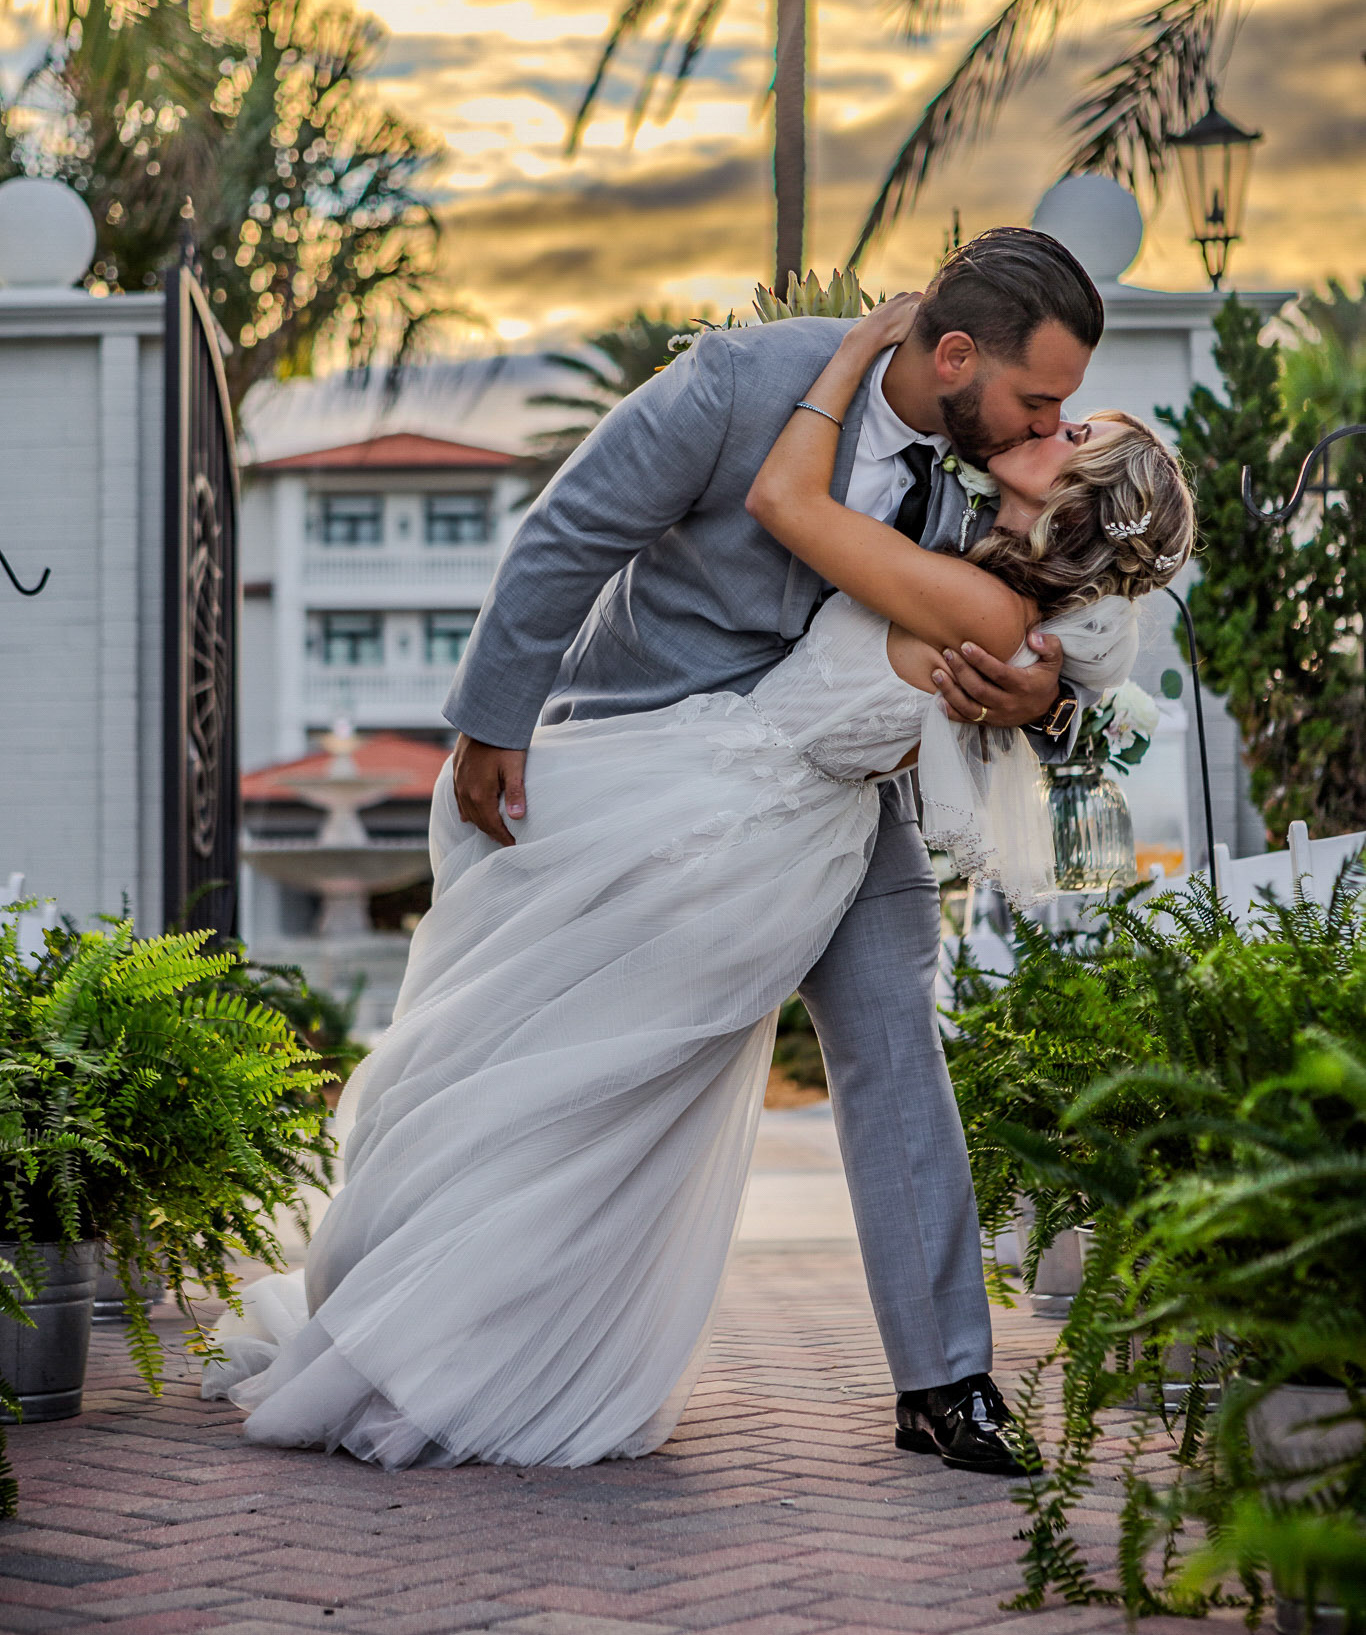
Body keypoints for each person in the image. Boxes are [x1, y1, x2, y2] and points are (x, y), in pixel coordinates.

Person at [205, 274, 1196, 1477]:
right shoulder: (741, 381)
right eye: (1041, 401)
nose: (1047, 424)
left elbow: (1067, 635)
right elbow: (572, 530)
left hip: (843, 797)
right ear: (950, 356)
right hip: (659, 759)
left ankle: (946, 1380)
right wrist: (493, 721)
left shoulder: (988, 472)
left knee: (895, 1048)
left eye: (1067, 419)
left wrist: (1040, 691)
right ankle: (453, 1308)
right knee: (566, 1062)